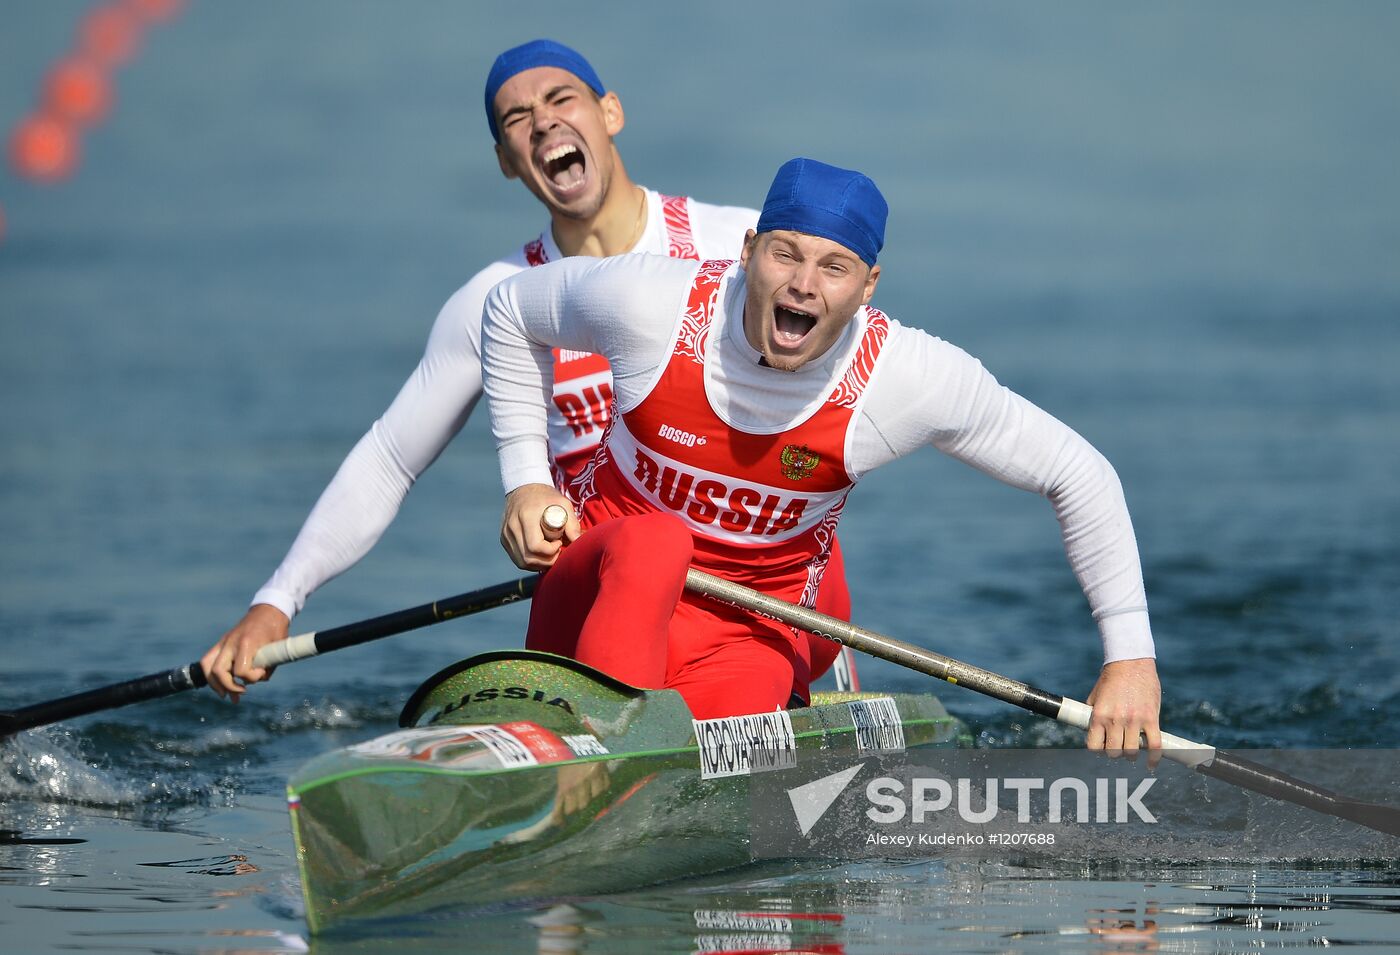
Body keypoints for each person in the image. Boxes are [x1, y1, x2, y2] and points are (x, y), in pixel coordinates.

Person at [200, 40, 858, 699]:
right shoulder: (493, 301)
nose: (542, 122)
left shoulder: (737, 246)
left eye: (560, 99)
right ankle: (608, 737)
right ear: (507, 163)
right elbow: (390, 460)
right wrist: (276, 603)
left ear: (611, 113)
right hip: (604, 586)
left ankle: (798, 682)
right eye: (516, 119)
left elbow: (851, 389)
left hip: (739, 578)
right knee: (651, 543)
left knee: (809, 554)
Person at [482, 157, 1162, 756]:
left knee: (764, 667)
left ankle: (653, 761)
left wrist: (1130, 659)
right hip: (596, 599)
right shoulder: (649, 302)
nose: (804, 284)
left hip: (739, 630)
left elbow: (1079, 472)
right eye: (785, 254)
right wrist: (525, 480)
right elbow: (510, 311)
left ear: (868, 286)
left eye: (833, 267)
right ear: (748, 250)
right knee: (658, 542)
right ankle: (600, 756)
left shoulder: (906, 377)